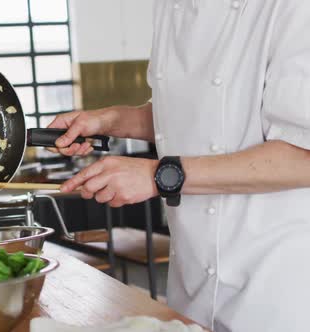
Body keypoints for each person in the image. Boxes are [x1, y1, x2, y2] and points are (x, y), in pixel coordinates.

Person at [48, 1, 310, 331]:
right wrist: (109, 120)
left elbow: (303, 156)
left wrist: (158, 175)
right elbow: (195, 114)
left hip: (276, 287)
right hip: (192, 279)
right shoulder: (170, 7)